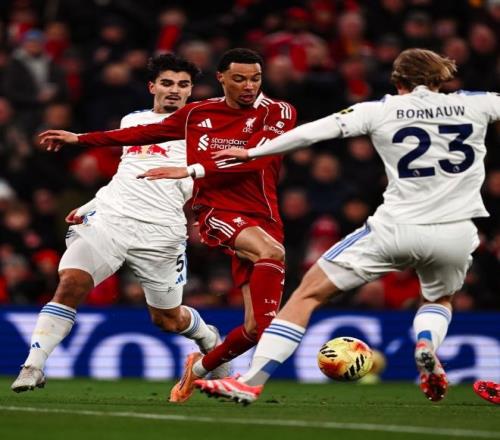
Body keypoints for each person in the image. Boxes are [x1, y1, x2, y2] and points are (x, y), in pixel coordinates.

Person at [192, 48, 500, 404]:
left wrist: (252, 152)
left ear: (398, 82)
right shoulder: (476, 103)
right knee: (439, 298)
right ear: (440, 79)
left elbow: (312, 133)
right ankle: (426, 344)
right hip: (457, 232)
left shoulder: (380, 109)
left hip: (395, 229)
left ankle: (250, 381)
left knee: (307, 295)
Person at [39, 48, 297, 403]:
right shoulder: (198, 114)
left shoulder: (279, 111)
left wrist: (190, 170)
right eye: (239, 78)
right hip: (218, 210)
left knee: (254, 328)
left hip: (265, 216)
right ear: (221, 79)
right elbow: (142, 134)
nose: (249, 86)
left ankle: (199, 369)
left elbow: (254, 158)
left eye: (255, 78)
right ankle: (252, 376)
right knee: (272, 254)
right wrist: (80, 139)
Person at [11, 53, 230, 393]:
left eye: (183, 84)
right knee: (71, 282)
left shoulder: (208, 130)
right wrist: (93, 203)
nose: (175, 90)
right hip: (111, 220)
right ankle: (33, 366)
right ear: (152, 86)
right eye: (167, 83)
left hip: (161, 232)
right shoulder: (133, 121)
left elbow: (218, 176)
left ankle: (208, 337)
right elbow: (126, 172)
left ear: (191, 91)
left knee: (168, 319)